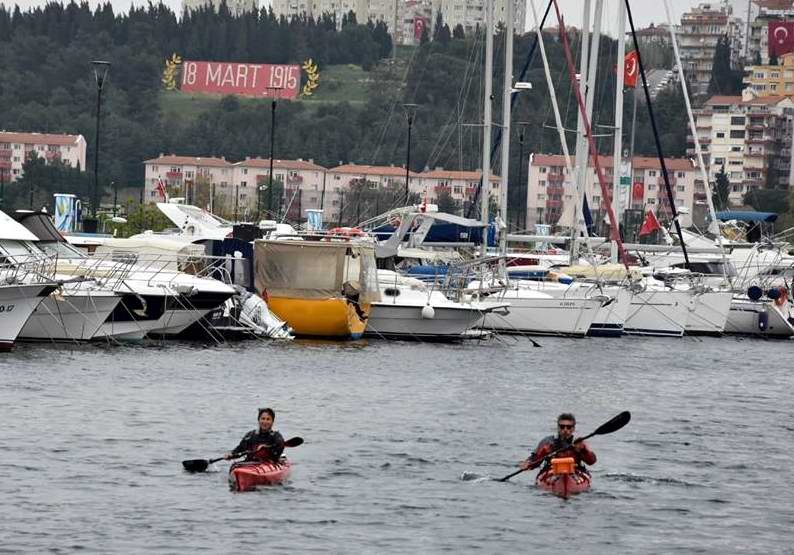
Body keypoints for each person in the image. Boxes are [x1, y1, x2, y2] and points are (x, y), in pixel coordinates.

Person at [519, 413, 596, 472]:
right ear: (558, 427)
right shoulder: (547, 442)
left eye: (569, 427)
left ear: (573, 428)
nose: (565, 429)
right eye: (562, 426)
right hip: (552, 472)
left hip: (574, 471)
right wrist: (529, 463)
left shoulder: (580, 443)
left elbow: (592, 462)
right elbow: (535, 459)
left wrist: (584, 450)